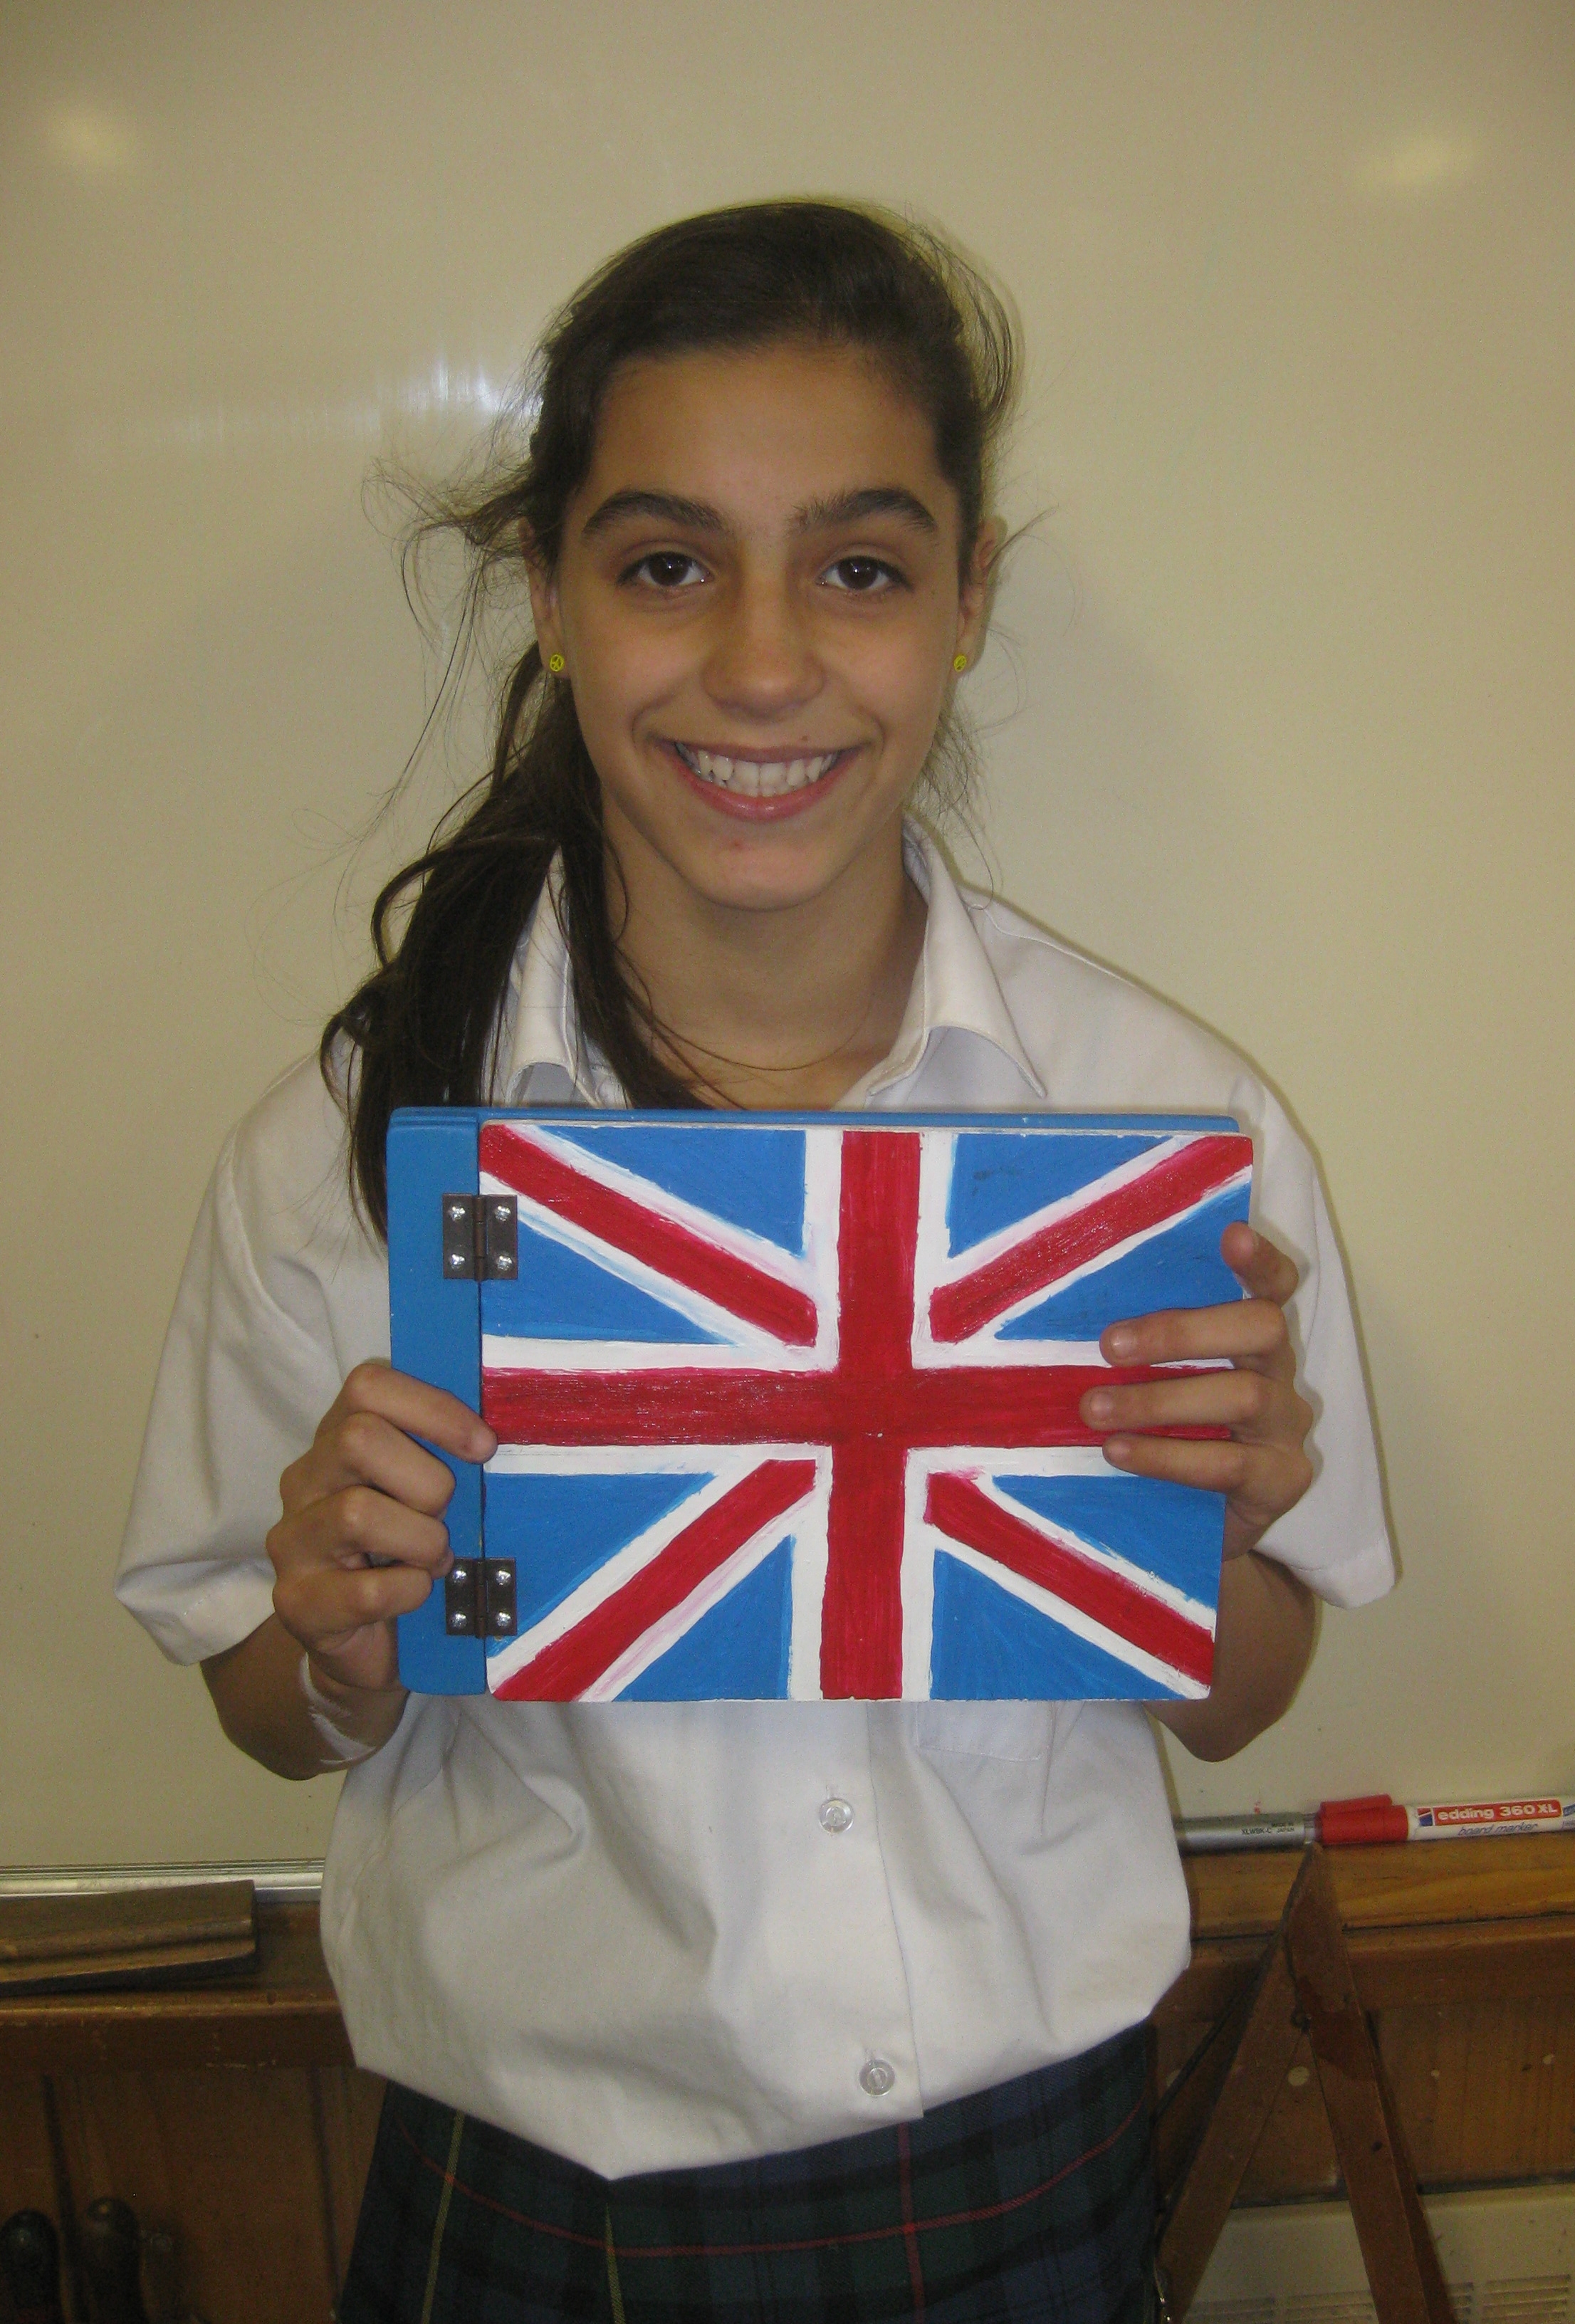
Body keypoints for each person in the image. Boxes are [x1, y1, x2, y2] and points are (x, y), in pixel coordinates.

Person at [117, 201, 1392, 2323]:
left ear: (969, 598)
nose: (767, 661)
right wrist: (341, 1639)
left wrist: (1224, 1519)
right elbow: (267, 1709)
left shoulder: (1158, 1125)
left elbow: (1241, 1702)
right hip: (533, 2190)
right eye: (666, 564)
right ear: (552, 595)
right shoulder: (354, 1151)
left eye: (862, 568)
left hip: (1019, 2166)